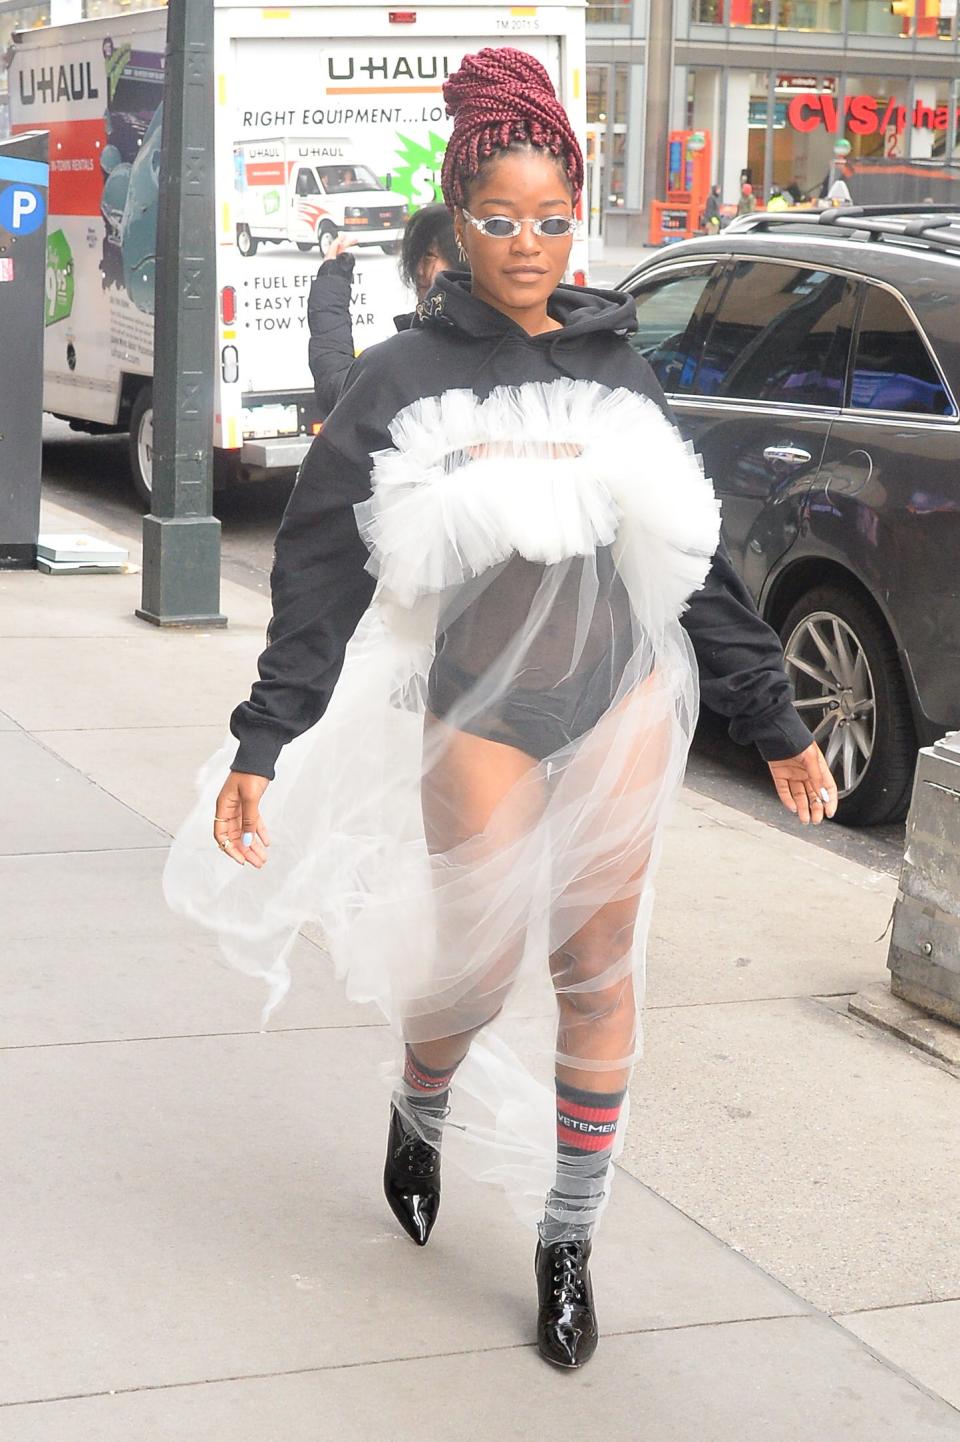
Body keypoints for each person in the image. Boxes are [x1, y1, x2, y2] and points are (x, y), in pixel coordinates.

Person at [165, 47, 837, 1371]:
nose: (529, 245)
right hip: (476, 709)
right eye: (500, 220)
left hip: (619, 700)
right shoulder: (404, 375)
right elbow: (318, 566)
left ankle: (568, 1240)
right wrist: (264, 738)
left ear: (573, 214)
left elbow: (690, 566)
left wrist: (776, 717)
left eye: (551, 218)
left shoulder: (614, 365)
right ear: (457, 222)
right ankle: (422, 1102)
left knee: (596, 971)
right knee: (470, 972)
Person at [307, 204, 459, 417]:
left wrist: (331, 277)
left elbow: (337, 389)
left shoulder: (404, 360)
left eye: (429, 255)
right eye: (418, 256)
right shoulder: (510, 348)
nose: (420, 270)